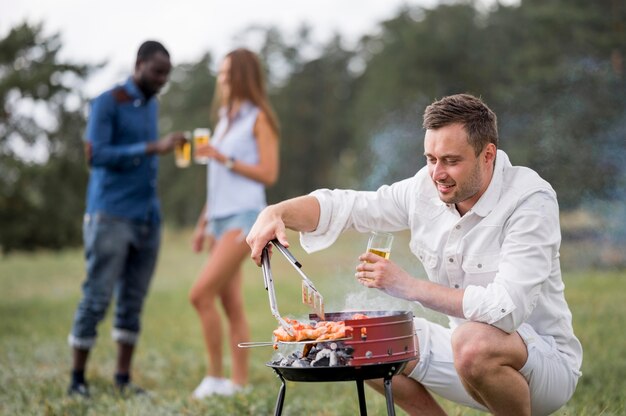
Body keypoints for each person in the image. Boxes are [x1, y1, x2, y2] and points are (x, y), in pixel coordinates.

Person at [246, 94, 582, 416]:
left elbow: (507, 309)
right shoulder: (425, 188)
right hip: (464, 355)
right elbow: (347, 207)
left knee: (472, 342)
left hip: (541, 368)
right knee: (361, 340)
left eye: (451, 161)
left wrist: (406, 286)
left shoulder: (529, 199)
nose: (437, 173)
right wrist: (277, 212)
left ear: (488, 155)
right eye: (431, 159)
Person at [67, 40, 187, 397]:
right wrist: (153, 147)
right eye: (157, 72)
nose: (162, 79)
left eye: (167, 73)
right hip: (110, 215)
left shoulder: (152, 106)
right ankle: (77, 380)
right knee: (97, 296)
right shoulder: (108, 102)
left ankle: (122, 379)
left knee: (133, 301)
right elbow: (96, 155)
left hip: (147, 217)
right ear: (139, 65)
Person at [189, 48, 280, 398]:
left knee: (200, 295)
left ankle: (214, 377)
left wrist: (224, 157)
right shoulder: (226, 118)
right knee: (230, 303)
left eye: (228, 73)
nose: (221, 79)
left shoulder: (259, 118)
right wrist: (202, 224)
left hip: (244, 217)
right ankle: (238, 385)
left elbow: (268, 173)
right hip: (218, 219)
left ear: (242, 76)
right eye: (221, 73)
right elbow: (217, 181)